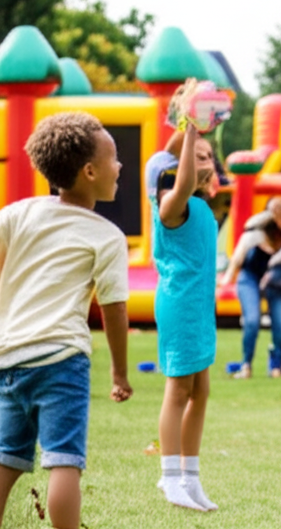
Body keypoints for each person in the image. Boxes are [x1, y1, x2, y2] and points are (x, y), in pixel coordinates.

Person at [0, 112, 132, 529]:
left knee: (5, 460)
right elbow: (114, 308)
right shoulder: (107, 235)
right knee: (64, 462)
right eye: (114, 159)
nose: (120, 166)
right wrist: (120, 373)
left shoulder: (18, 213)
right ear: (90, 171)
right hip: (61, 358)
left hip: (9, 358)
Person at [147, 87, 225, 512]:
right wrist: (191, 130)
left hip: (198, 310)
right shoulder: (169, 206)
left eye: (209, 157)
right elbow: (178, 171)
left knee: (201, 391)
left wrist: (187, 120)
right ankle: (169, 477)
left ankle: (190, 477)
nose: (205, 162)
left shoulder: (198, 207)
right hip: (179, 307)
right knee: (178, 390)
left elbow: (178, 158)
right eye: (198, 157)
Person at [221, 197, 281, 378]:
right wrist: (229, 276)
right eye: (274, 211)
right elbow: (239, 255)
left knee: (280, 327)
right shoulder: (257, 232)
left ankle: (276, 366)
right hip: (250, 277)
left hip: (276, 283)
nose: (279, 216)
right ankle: (246, 365)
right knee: (252, 321)